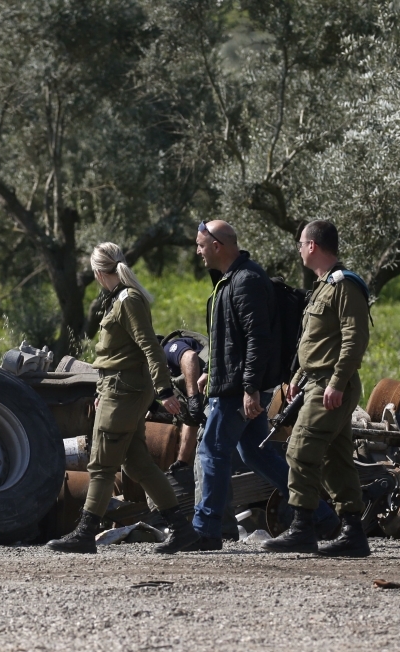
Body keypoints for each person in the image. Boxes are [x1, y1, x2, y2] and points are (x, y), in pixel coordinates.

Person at [191, 220, 338, 550]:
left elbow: (259, 339)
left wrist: (250, 388)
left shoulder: (246, 281)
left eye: (201, 245)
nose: (197, 251)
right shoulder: (230, 280)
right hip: (231, 381)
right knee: (257, 454)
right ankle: (323, 517)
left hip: (237, 389)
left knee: (212, 450)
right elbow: (231, 338)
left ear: (218, 245)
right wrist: (209, 371)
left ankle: (206, 530)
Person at [46, 243, 200, 554]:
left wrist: (165, 391)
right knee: (139, 465)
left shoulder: (128, 300)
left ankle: (85, 533)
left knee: (102, 464)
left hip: (123, 393)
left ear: (97, 272)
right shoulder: (120, 299)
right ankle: (183, 530)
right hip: (117, 390)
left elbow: (150, 348)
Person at [264, 220, 372, 557]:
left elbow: (355, 339)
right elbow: (314, 341)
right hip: (315, 382)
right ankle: (353, 533)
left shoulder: (345, 286)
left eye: (300, 243)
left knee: (299, 450)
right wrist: (296, 376)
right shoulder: (322, 286)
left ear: (312, 245)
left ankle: (302, 529)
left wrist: (338, 382)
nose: (298, 249)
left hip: (331, 385)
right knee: (336, 458)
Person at [162, 332, 208, 468]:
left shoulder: (168, 348)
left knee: (207, 449)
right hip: (207, 397)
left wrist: (193, 398)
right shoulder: (167, 375)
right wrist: (182, 460)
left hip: (222, 390)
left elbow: (189, 357)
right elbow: (190, 420)